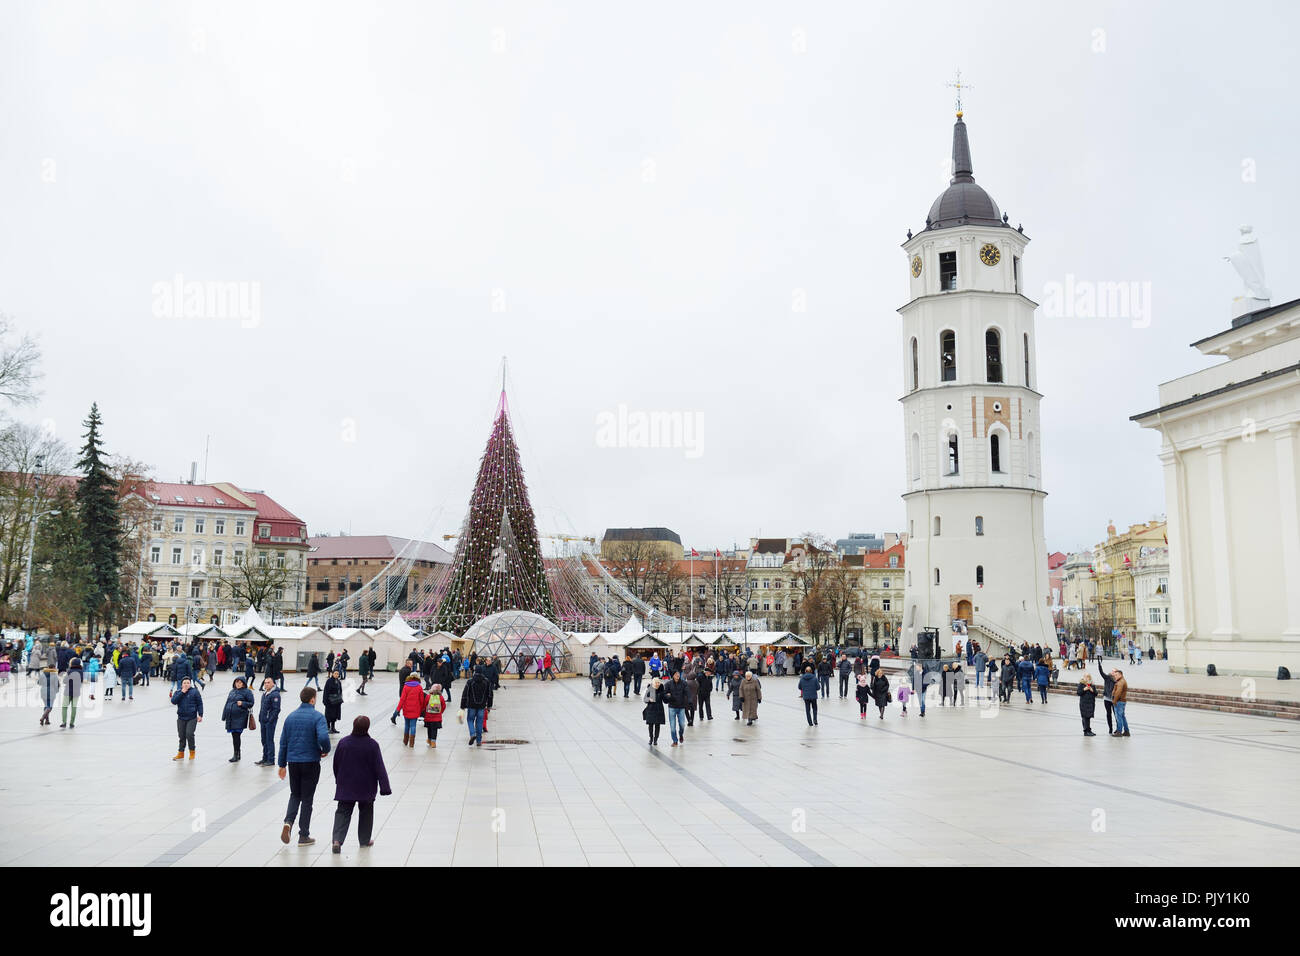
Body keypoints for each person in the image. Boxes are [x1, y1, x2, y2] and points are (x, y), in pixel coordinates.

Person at [277, 687, 331, 847]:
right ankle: (303, 835)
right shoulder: (318, 717)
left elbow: (283, 743)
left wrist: (281, 764)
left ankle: (288, 822)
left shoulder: (290, 717)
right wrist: (325, 749)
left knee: (295, 794)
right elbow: (323, 736)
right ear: (312, 699)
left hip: (293, 762)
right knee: (307, 799)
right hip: (311, 762)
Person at [330, 716, 392, 853]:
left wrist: (338, 780)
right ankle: (364, 840)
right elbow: (379, 767)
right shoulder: (372, 745)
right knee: (366, 812)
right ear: (367, 728)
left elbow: (336, 764)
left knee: (343, 811)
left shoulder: (344, 743)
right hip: (366, 786)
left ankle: (337, 840)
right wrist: (385, 787)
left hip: (346, 785)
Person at [222, 676, 255, 761]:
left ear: (243, 683)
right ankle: (237, 754)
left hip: (240, 717)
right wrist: (224, 715)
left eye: (240, 682)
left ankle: (236, 754)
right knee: (234, 736)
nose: (238, 684)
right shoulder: (232, 691)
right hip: (231, 717)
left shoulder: (247, 692)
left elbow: (251, 703)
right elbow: (227, 703)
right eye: (237, 682)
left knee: (236, 736)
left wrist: (242, 703)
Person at [459, 666, 493, 747]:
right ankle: (479, 741)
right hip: (482, 705)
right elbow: (490, 695)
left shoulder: (470, 681)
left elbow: (465, 694)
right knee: (479, 722)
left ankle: (472, 734)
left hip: (471, 705)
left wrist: (462, 705)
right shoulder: (486, 681)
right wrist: (489, 705)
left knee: (470, 720)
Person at [171, 676, 203, 758]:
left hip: (192, 717)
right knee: (181, 735)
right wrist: (182, 692)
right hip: (181, 717)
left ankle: (192, 751)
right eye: (184, 683)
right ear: (181, 684)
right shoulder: (178, 692)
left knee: (189, 734)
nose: (186, 684)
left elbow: (200, 703)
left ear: (190, 684)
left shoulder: (195, 692)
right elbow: (173, 701)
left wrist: (200, 714)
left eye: (188, 683)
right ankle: (181, 753)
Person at [254, 677, 282, 766]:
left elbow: (276, 709)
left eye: (268, 683)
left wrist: (270, 720)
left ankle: (271, 759)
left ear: (273, 684)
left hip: (269, 722)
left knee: (269, 740)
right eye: (265, 683)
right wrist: (260, 717)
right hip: (263, 720)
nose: (266, 684)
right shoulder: (265, 693)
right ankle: (264, 758)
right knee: (264, 740)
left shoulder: (275, 695)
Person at [397, 669, 425, 748]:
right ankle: (411, 743)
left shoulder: (406, 686)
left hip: (406, 709)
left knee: (406, 725)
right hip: (415, 710)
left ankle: (405, 740)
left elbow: (402, 699)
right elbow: (421, 700)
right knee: (413, 726)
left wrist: (398, 709)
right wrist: (422, 708)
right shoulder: (419, 687)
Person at [664, 669, 690, 746]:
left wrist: (690, 700)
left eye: (678, 674)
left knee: (682, 725)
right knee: (672, 727)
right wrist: (668, 697)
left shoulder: (683, 683)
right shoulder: (668, 684)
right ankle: (675, 740)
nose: (678, 675)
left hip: (681, 707)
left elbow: (687, 692)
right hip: (672, 707)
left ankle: (681, 734)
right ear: (673, 676)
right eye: (676, 674)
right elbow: (664, 694)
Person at [1096, 657, 1118, 734]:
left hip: (1114, 699)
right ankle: (1110, 728)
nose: (1112, 672)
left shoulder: (1117, 680)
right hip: (1107, 698)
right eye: (1112, 671)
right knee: (1108, 714)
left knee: (1116, 715)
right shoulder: (1107, 677)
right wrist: (1099, 665)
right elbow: (1101, 672)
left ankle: (1118, 728)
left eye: (1114, 671)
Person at [643, 677, 666, 746]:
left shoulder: (661, 690)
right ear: (653, 683)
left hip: (659, 710)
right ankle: (651, 738)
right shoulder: (650, 689)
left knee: (657, 725)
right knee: (650, 725)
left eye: (658, 682)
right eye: (656, 683)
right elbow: (645, 699)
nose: (658, 684)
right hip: (651, 709)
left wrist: (668, 696)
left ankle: (655, 739)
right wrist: (649, 700)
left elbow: (665, 700)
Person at [423, 682, 448, 748]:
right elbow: (444, 706)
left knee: (429, 729)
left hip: (428, 717)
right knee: (434, 730)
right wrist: (440, 712)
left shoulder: (428, 696)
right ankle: (433, 742)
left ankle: (429, 739)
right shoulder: (441, 697)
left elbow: (424, 705)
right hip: (437, 718)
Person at [323, 668, 344, 734]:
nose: (336, 675)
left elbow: (340, 691)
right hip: (330, 701)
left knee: (335, 715)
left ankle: (333, 727)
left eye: (338, 674)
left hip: (336, 701)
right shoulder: (329, 681)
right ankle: (328, 728)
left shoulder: (338, 681)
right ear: (332, 673)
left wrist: (340, 698)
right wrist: (325, 701)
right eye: (335, 673)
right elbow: (326, 692)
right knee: (329, 715)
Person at [1111, 669, 1131, 737]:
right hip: (1121, 701)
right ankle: (1126, 731)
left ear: (1121, 675)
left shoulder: (1121, 682)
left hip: (1119, 701)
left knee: (1119, 717)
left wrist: (1114, 701)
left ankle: (1119, 732)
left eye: (1116, 675)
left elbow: (1118, 692)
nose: (1115, 676)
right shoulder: (1120, 681)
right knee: (1122, 717)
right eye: (1115, 675)